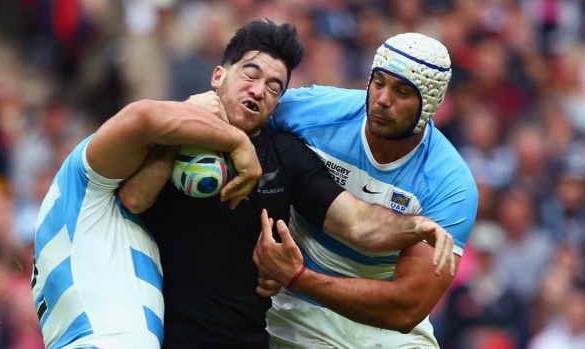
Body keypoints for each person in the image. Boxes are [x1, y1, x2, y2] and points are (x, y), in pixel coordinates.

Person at [119, 20, 455, 348]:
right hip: (155, 334)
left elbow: (357, 222)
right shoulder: (163, 135)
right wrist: (184, 126)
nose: (258, 90)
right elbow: (134, 199)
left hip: (245, 340)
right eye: (251, 74)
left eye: (273, 86)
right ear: (218, 76)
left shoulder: (288, 157)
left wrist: (418, 226)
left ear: (277, 104)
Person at [253, 32, 479, 348]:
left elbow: (406, 308)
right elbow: (231, 110)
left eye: (402, 91)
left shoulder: (450, 184)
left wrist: (299, 276)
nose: (383, 99)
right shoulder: (316, 112)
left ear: (430, 104)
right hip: (290, 305)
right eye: (379, 82)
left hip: (379, 321)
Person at [30, 93, 262, 346]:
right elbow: (141, 119)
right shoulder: (80, 182)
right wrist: (236, 140)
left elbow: (137, 196)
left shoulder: (109, 229)